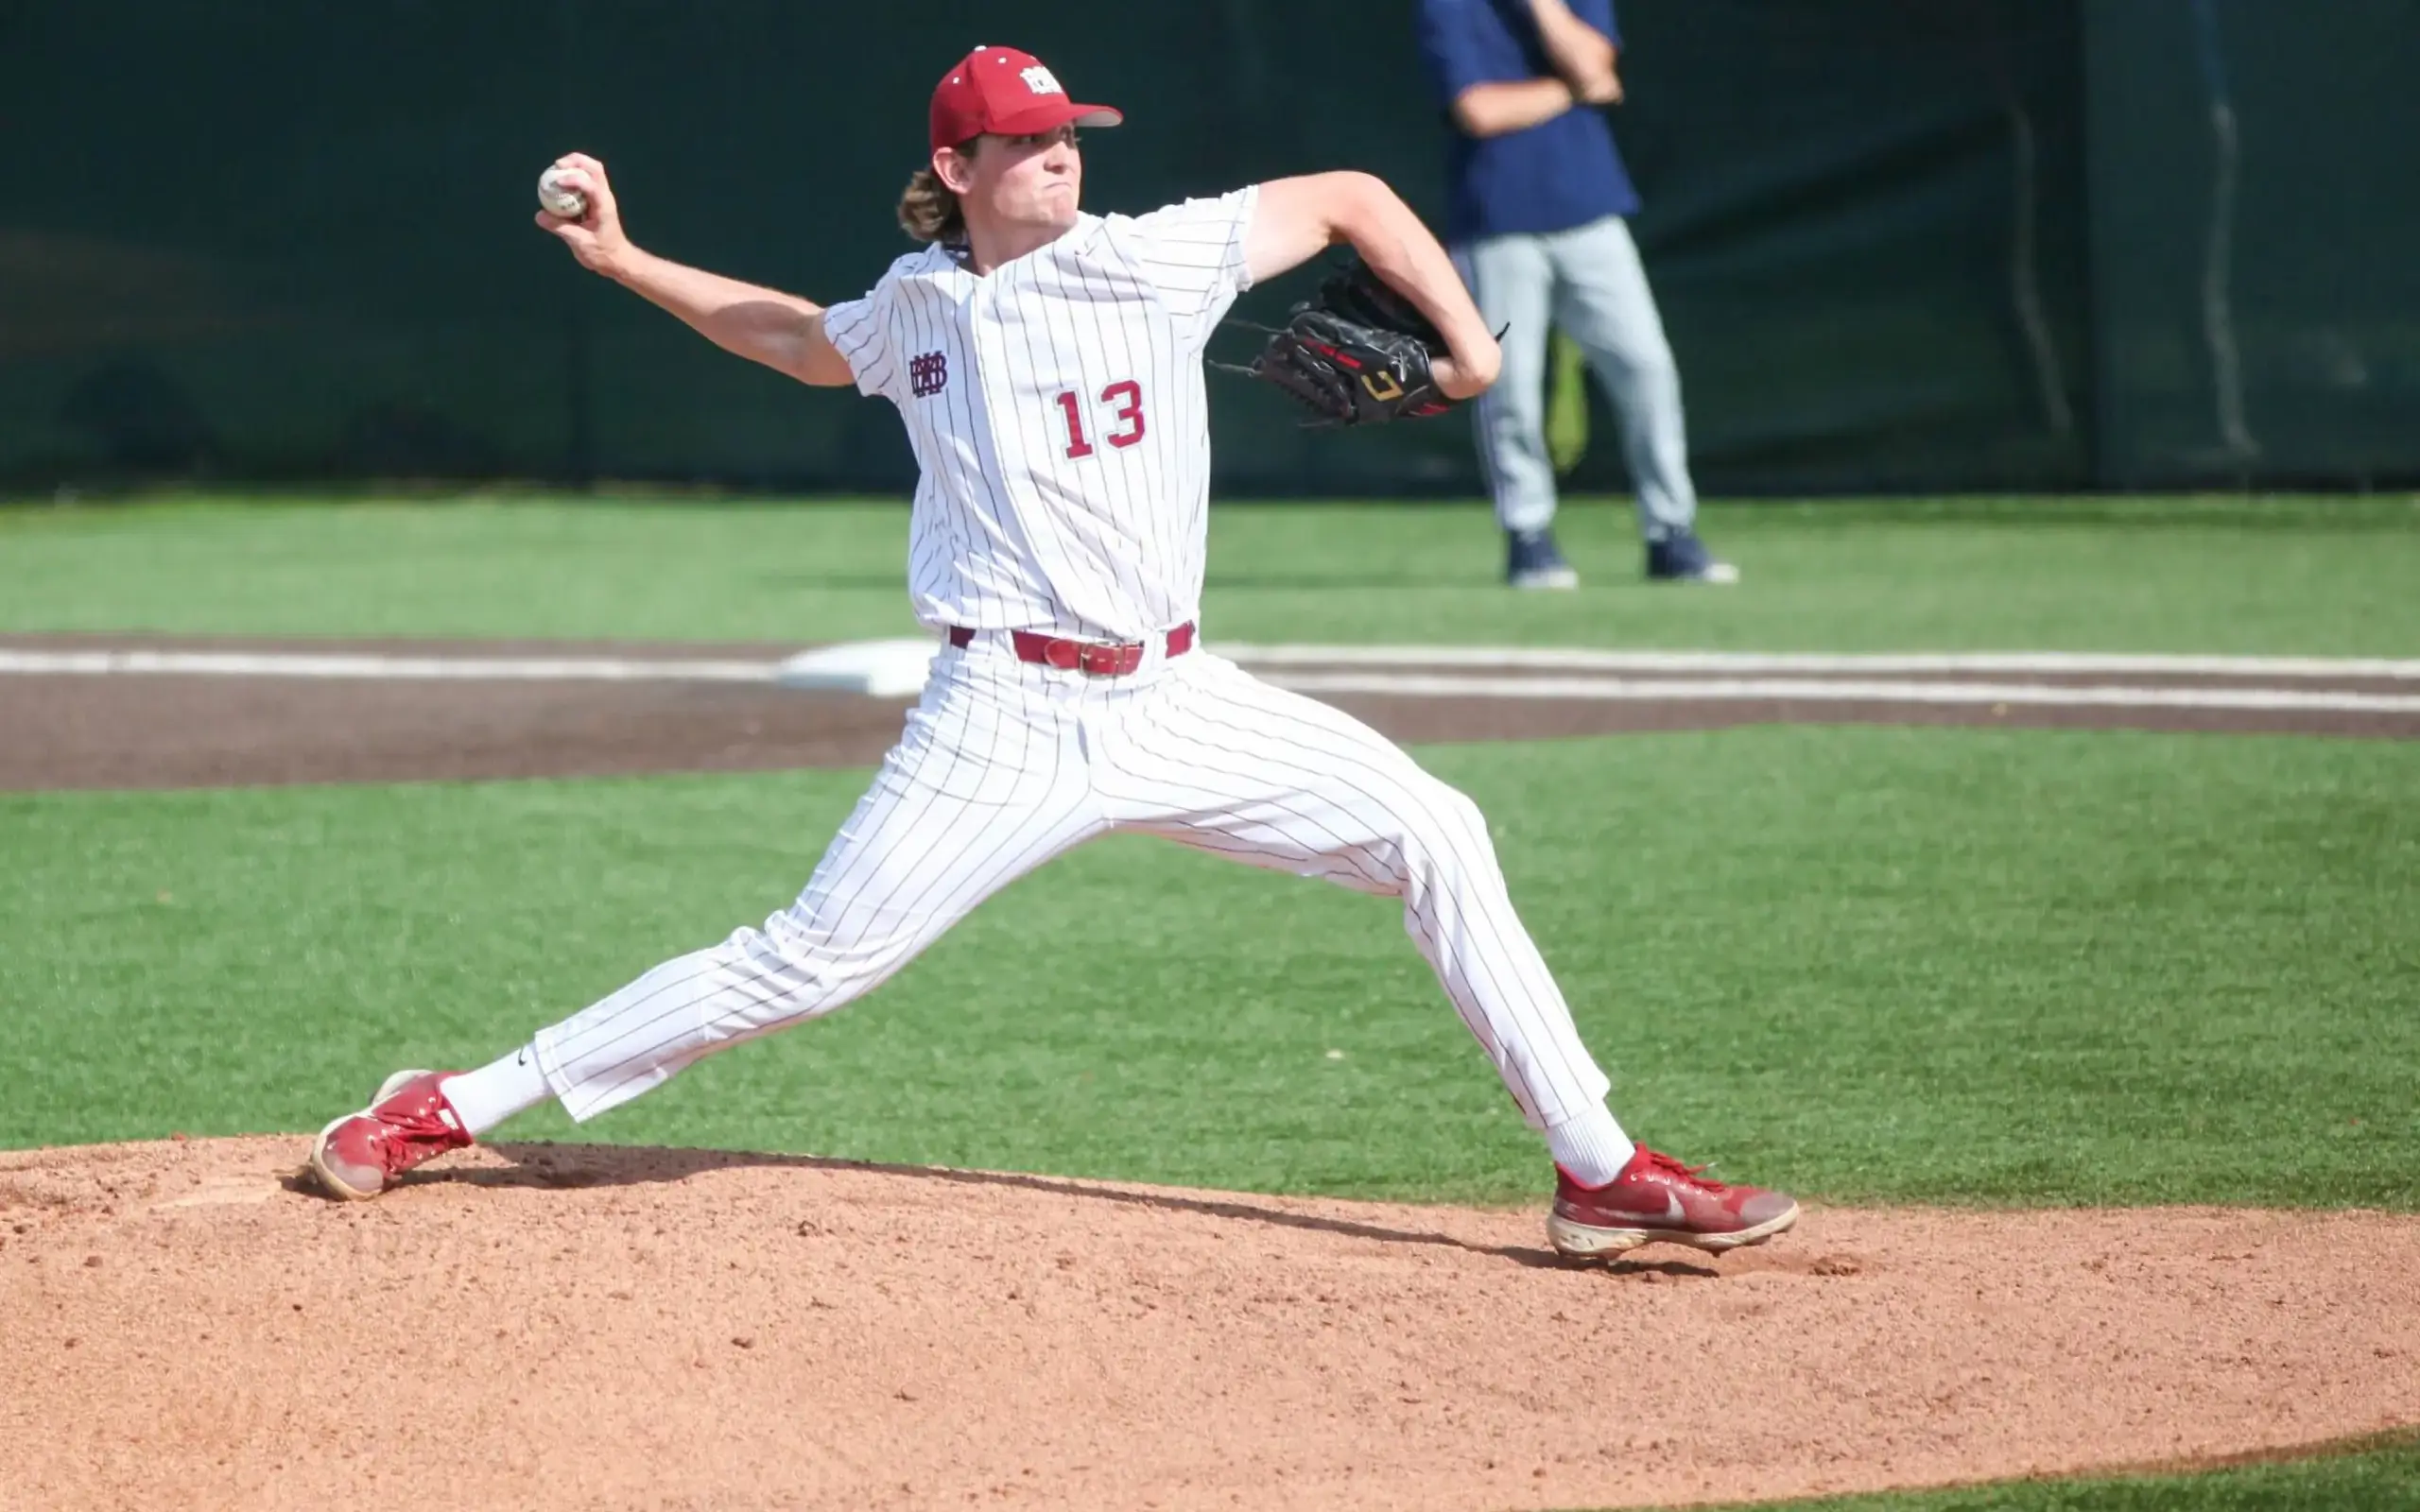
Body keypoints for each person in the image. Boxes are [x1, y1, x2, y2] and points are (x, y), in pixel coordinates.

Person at [307, 44, 1795, 1259]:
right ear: (956, 172)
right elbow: (795, 342)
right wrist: (625, 261)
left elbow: (1350, 193)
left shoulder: (1155, 257)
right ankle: (450, 1102)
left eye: (1067, 131)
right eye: (1025, 141)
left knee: (1438, 831)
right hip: (1001, 714)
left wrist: (1468, 348)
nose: (1061, 153)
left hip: (1176, 695)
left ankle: (1597, 1171)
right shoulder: (916, 305)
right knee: (807, 964)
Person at [1417, 0, 1737, 590]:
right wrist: (1572, 89)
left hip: (1592, 211)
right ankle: (1529, 537)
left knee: (1646, 368)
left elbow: (1597, 62)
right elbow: (1479, 110)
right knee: (1506, 384)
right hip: (1496, 223)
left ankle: (1671, 533)